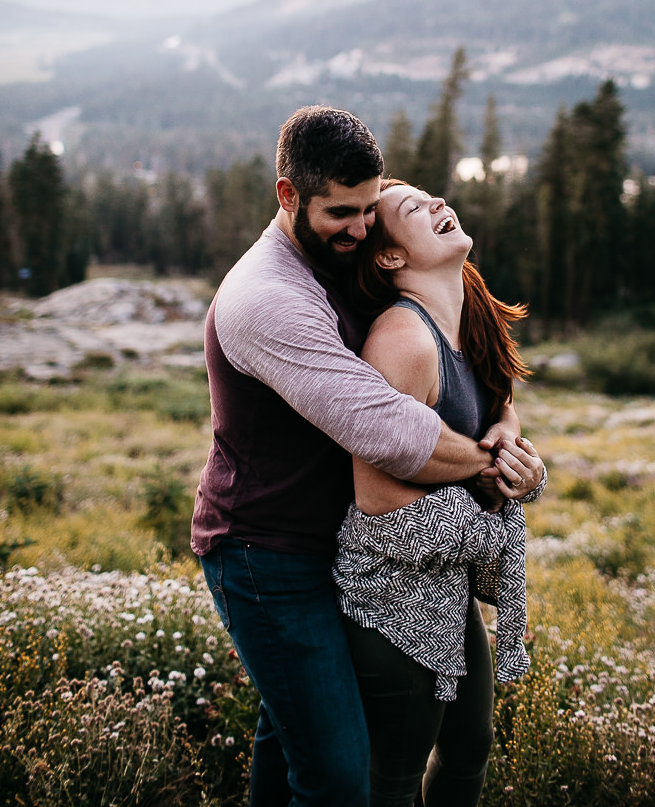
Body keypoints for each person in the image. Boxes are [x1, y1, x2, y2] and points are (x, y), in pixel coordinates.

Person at [190, 106, 537, 807]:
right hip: (266, 552)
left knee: (289, 740)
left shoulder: (337, 255)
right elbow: (389, 432)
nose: (360, 227)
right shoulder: (268, 297)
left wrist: (503, 422)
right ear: (288, 196)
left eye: (370, 209)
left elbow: (464, 359)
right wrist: (497, 466)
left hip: (331, 544)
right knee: (338, 776)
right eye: (342, 212)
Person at [332, 179, 546, 807]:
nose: (439, 207)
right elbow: (374, 497)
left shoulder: (466, 310)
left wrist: (514, 458)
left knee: (469, 750)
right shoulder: (403, 341)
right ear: (392, 257)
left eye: (435, 199)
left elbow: (500, 407)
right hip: (393, 599)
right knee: (394, 778)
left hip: (448, 589)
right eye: (415, 211)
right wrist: (484, 500)